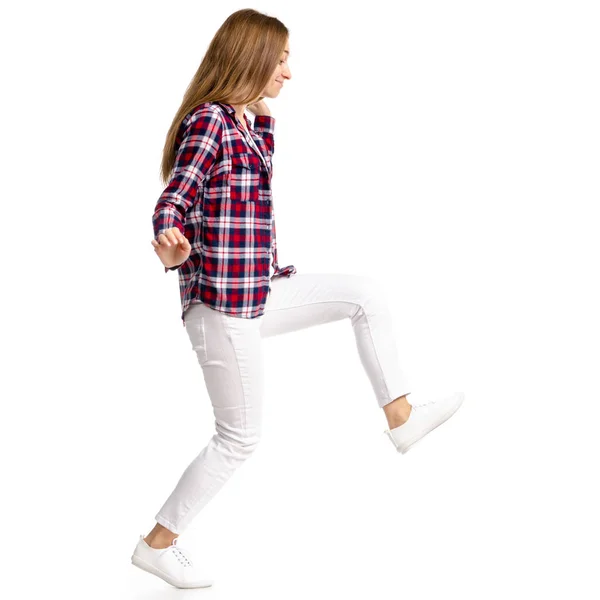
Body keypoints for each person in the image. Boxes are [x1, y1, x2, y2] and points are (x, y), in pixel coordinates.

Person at [130, 8, 465, 590]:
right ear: (253, 57)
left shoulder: (245, 123)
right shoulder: (209, 121)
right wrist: (170, 240)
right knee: (239, 439)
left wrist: (257, 114)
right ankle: (158, 544)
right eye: (281, 59)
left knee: (365, 294)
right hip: (220, 305)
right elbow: (175, 196)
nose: (289, 73)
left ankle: (401, 417)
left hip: (257, 286)